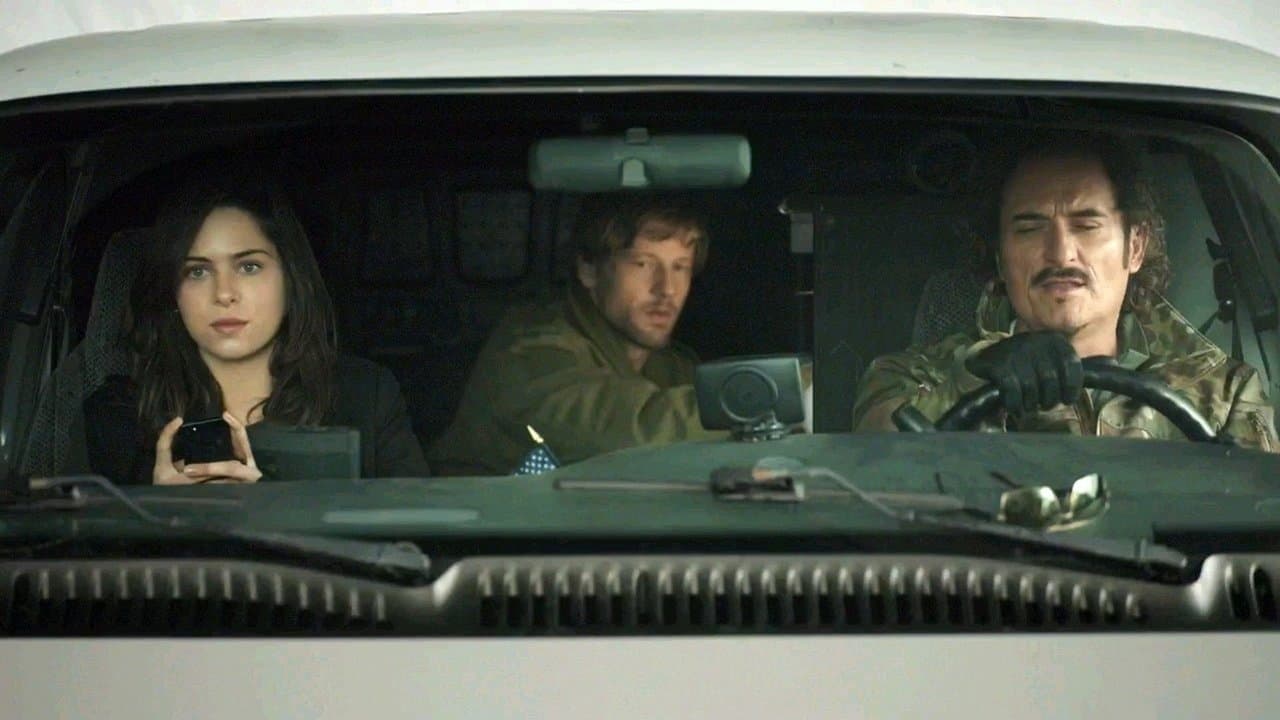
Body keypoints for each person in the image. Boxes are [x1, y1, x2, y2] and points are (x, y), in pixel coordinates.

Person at [852, 133, 1277, 450]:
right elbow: (874, 458)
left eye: (1087, 226)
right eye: (1030, 228)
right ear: (999, 256)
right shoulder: (913, 377)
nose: (1060, 253)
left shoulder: (1223, 392)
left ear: (1135, 246)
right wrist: (974, 377)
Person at [84, 172, 430, 484]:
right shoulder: (120, 416)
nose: (224, 294)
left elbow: (416, 528)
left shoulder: (364, 397)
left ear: (290, 279)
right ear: (172, 290)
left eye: (249, 267)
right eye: (198, 272)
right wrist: (160, 513)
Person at [430, 193, 726, 475]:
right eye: (643, 264)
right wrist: (740, 403)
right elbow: (619, 432)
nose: (667, 289)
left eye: (680, 267)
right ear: (589, 270)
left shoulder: (673, 368)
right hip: (481, 509)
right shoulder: (530, 349)